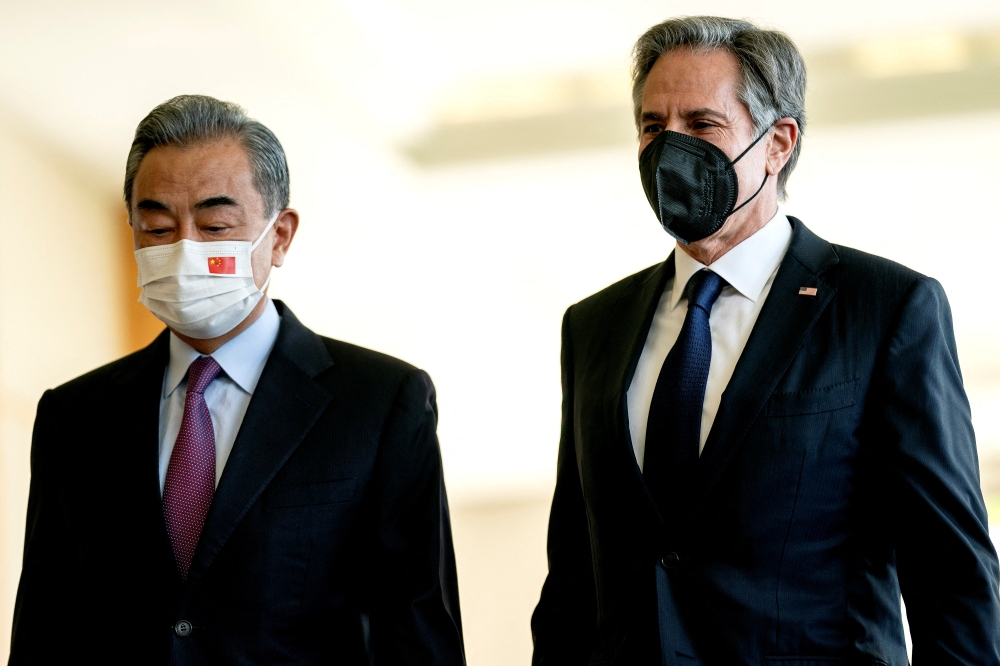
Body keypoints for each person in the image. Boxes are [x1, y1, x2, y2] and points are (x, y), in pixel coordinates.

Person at [531, 16, 999, 665]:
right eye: (651, 126)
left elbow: (951, 572)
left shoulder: (884, 308)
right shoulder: (593, 327)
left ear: (778, 142)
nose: (670, 149)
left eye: (701, 125)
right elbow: (574, 579)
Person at [10, 95, 465, 665]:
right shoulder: (75, 417)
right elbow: (46, 629)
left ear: (279, 236)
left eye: (215, 224)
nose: (183, 251)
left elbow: (418, 634)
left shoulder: (378, 403)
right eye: (156, 227)